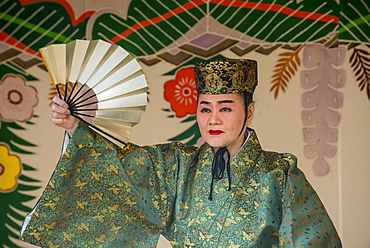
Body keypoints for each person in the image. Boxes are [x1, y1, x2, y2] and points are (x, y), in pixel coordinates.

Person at [20, 59, 342, 247]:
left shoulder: (279, 174)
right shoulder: (177, 166)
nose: (213, 119)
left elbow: (314, 241)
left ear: (250, 112)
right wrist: (77, 127)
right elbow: (122, 173)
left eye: (226, 108)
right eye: (205, 108)